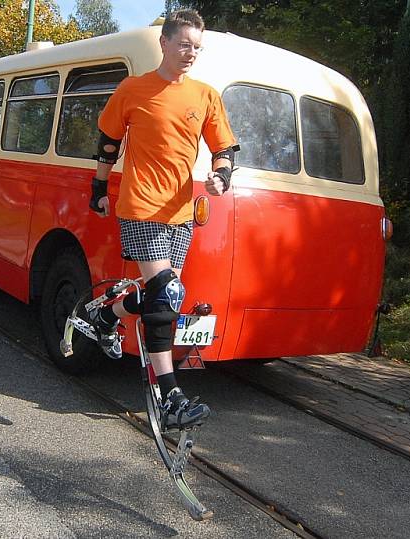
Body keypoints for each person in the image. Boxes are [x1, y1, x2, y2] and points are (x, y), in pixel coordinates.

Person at [90, 9, 237, 430]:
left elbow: (224, 147)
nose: (191, 53)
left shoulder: (205, 95)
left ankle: (107, 315)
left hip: (180, 212)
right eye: (184, 44)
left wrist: (221, 176)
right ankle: (169, 394)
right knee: (168, 295)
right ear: (165, 43)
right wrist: (98, 189)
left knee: (161, 298)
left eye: (197, 47)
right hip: (139, 205)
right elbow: (108, 142)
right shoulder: (133, 89)